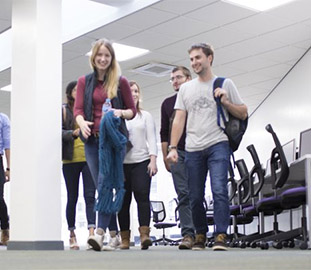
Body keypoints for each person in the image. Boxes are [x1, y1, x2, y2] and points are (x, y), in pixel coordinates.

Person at [167, 43, 248, 251]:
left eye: (198, 58)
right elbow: (179, 120)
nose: (194, 62)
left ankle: (221, 234)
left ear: (209, 58)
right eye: (192, 59)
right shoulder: (185, 89)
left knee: (219, 189)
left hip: (218, 143)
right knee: (194, 195)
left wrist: (226, 102)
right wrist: (173, 147)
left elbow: (243, 112)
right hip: (193, 147)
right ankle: (200, 234)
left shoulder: (224, 83)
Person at [74, 38, 136, 251]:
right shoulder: (84, 81)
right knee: (103, 185)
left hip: (112, 141)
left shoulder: (121, 82)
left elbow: (132, 110)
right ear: (93, 57)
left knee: (105, 183)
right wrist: (81, 123)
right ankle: (114, 234)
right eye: (99, 55)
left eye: (106, 55)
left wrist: (120, 112)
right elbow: (78, 110)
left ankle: (99, 233)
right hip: (92, 140)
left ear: (111, 59)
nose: (102, 59)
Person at [117, 81, 158, 250]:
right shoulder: (118, 115)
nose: (133, 94)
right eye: (130, 91)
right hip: (122, 164)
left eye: (136, 91)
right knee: (123, 203)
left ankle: (144, 235)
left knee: (142, 198)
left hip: (142, 162)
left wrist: (153, 160)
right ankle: (125, 238)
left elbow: (152, 139)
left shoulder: (145, 116)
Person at [160, 66, 195, 249]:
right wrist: (166, 156)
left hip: (197, 151)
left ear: (188, 79)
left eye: (178, 77)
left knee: (195, 194)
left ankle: (201, 232)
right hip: (178, 153)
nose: (175, 81)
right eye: (172, 78)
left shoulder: (198, 98)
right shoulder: (167, 103)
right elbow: (164, 132)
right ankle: (188, 234)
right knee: (183, 193)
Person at [62, 81, 96, 250]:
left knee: (90, 196)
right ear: (70, 92)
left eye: (80, 89)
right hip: (69, 160)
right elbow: (57, 132)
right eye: (75, 89)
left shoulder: (87, 109)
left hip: (88, 158)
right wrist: (73, 132)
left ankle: (91, 233)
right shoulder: (64, 110)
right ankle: (72, 234)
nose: (78, 91)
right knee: (72, 197)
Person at [0, 112, 10, 246]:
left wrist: (9, 168)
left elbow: (8, 145)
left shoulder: (3, 119)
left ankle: (5, 229)